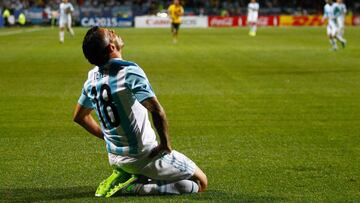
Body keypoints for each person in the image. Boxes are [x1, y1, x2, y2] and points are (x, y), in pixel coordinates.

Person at [73, 26, 208, 197]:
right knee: (200, 182)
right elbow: (157, 111)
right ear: (111, 47)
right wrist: (165, 145)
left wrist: (107, 136)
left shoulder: (91, 78)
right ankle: (136, 187)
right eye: (109, 33)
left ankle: (132, 175)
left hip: (115, 156)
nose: (114, 32)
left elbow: (79, 117)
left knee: (161, 174)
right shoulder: (129, 72)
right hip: (144, 156)